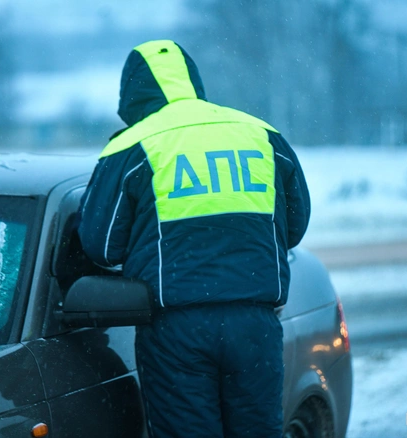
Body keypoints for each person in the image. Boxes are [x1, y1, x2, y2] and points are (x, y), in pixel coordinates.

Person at [78, 40, 310, 438]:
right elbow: (294, 224)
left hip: (176, 330)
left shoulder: (131, 146)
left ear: (132, 93)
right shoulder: (260, 133)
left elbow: (101, 246)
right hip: (256, 324)